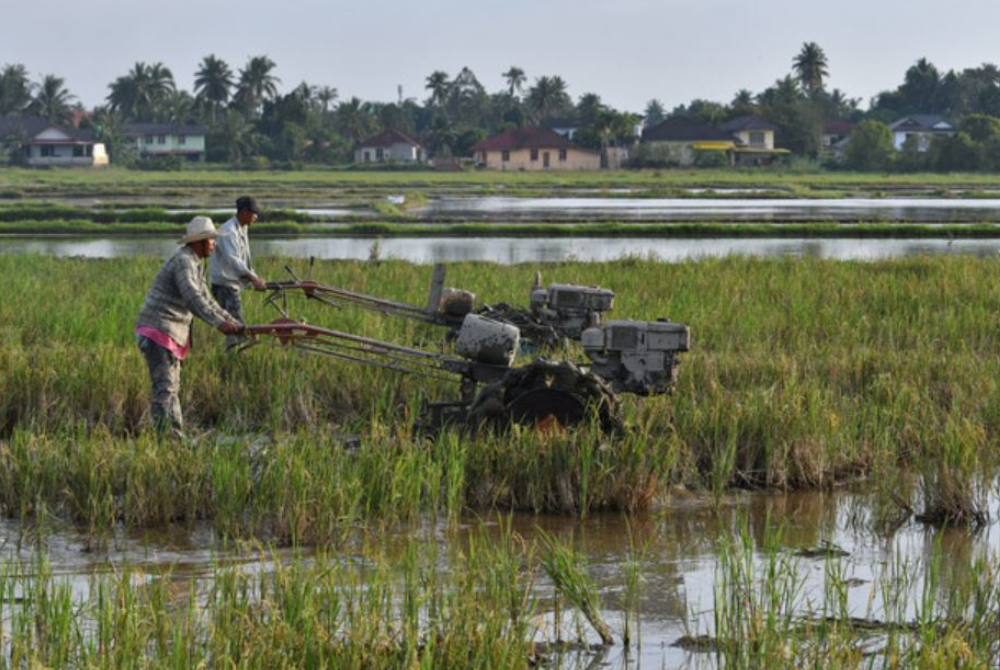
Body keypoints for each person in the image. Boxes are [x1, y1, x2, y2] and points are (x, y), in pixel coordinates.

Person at [135, 216, 244, 435]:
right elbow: (193, 299)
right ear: (199, 242)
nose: (214, 243)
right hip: (158, 330)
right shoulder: (183, 262)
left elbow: (208, 299)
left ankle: (176, 436)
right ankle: (166, 439)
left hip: (170, 334)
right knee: (165, 388)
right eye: (211, 240)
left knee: (173, 388)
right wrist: (220, 324)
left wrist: (234, 322)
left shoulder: (195, 263)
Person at [210, 195, 266, 346]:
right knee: (236, 325)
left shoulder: (242, 228)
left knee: (234, 324)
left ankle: (233, 352)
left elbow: (245, 257)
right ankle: (234, 354)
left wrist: (254, 277)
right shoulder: (228, 231)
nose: (256, 216)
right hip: (224, 285)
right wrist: (253, 278)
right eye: (254, 213)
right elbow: (233, 259)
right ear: (243, 212)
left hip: (231, 283)